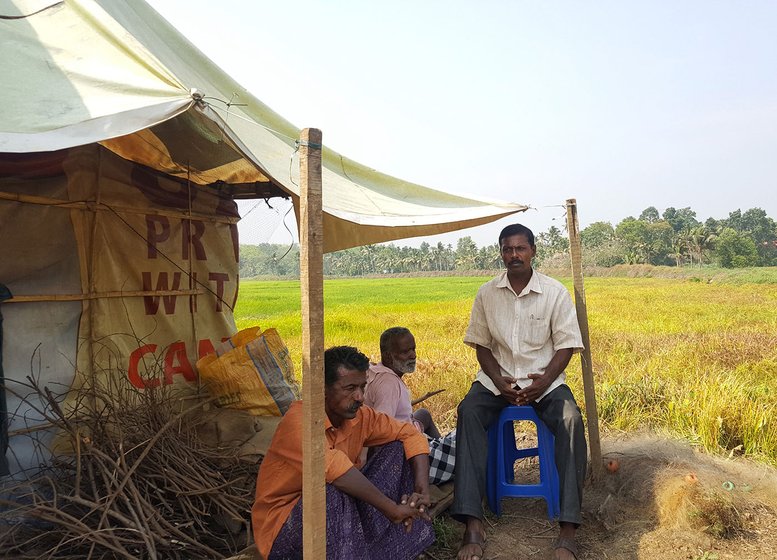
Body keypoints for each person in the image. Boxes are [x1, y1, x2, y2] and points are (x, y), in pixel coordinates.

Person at [451, 223, 587, 560]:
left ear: (533, 251)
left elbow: (566, 346)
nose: (514, 255)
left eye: (520, 248)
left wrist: (541, 382)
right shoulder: (486, 293)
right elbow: (482, 345)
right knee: (468, 412)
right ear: (501, 252)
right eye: (507, 249)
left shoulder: (555, 292)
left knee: (570, 419)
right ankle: (472, 522)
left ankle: (568, 529)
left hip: (546, 380)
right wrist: (498, 380)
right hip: (497, 381)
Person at [251, 345, 435, 560]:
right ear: (323, 389)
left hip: (340, 515)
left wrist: (422, 490)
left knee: (397, 448)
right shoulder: (299, 422)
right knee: (330, 491)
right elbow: (337, 472)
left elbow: (410, 434)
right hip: (284, 533)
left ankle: (385, 544)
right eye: (349, 388)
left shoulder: (360, 416)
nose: (359, 397)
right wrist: (391, 509)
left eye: (362, 387)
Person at [365, 326, 457, 485]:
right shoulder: (389, 383)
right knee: (467, 447)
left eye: (413, 349)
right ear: (388, 356)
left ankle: (437, 448)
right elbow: (380, 432)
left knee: (424, 414)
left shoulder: (375, 371)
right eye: (405, 352)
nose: (413, 355)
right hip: (409, 456)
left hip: (412, 441)